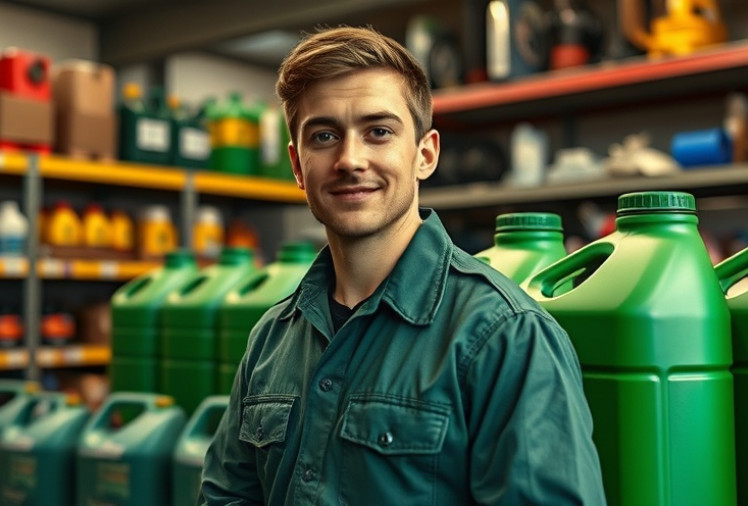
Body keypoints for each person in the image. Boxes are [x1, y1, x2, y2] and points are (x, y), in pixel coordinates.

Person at [200, 26, 605, 505]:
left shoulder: (505, 335)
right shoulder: (272, 338)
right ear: (297, 165)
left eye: (379, 132)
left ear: (425, 155)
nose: (350, 160)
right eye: (324, 136)